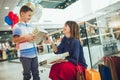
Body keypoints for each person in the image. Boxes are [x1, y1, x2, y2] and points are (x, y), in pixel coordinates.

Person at [12, 4, 40, 80]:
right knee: (27, 75)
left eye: (31, 16)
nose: (30, 18)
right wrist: (25, 37)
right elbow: (15, 40)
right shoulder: (17, 26)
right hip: (25, 55)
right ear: (22, 14)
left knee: (36, 73)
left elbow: (31, 38)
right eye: (29, 15)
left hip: (35, 54)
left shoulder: (30, 26)